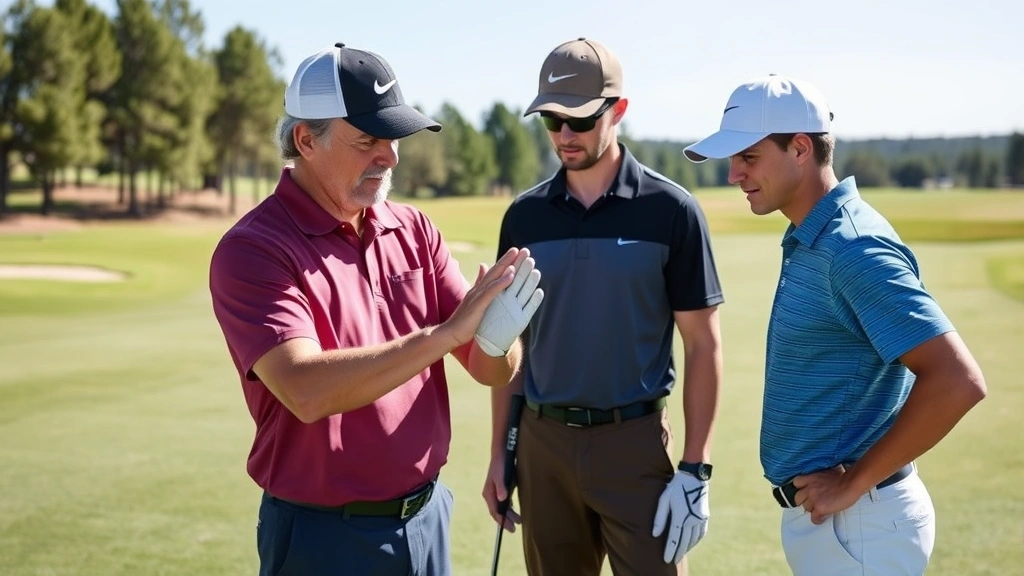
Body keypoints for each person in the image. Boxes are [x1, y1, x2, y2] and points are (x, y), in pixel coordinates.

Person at [209, 42, 543, 576]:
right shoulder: (254, 248)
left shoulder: (413, 229)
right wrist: (447, 334)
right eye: (367, 140)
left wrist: (500, 340)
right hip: (323, 536)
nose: (387, 156)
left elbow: (486, 368)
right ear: (305, 140)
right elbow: (305, 390)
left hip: (427, 519)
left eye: (392, 139)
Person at [683, 75, 988, 575]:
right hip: (840, 522)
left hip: (860, 524)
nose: (734, 173)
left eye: (749, 157)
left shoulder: (852, 247)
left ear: (800, 148)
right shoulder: (812, 235)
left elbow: (959, 380)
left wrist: (854, 482)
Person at [481, 37, 725, 576]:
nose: (564, 135)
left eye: (581, 119)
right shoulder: (523, 218)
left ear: (619, 111)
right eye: (551, 120)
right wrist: (501, 452)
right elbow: (510, 345)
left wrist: (695, 469)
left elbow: (703, 345)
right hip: (542, 447)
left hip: (633, 448)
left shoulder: (672, 211)